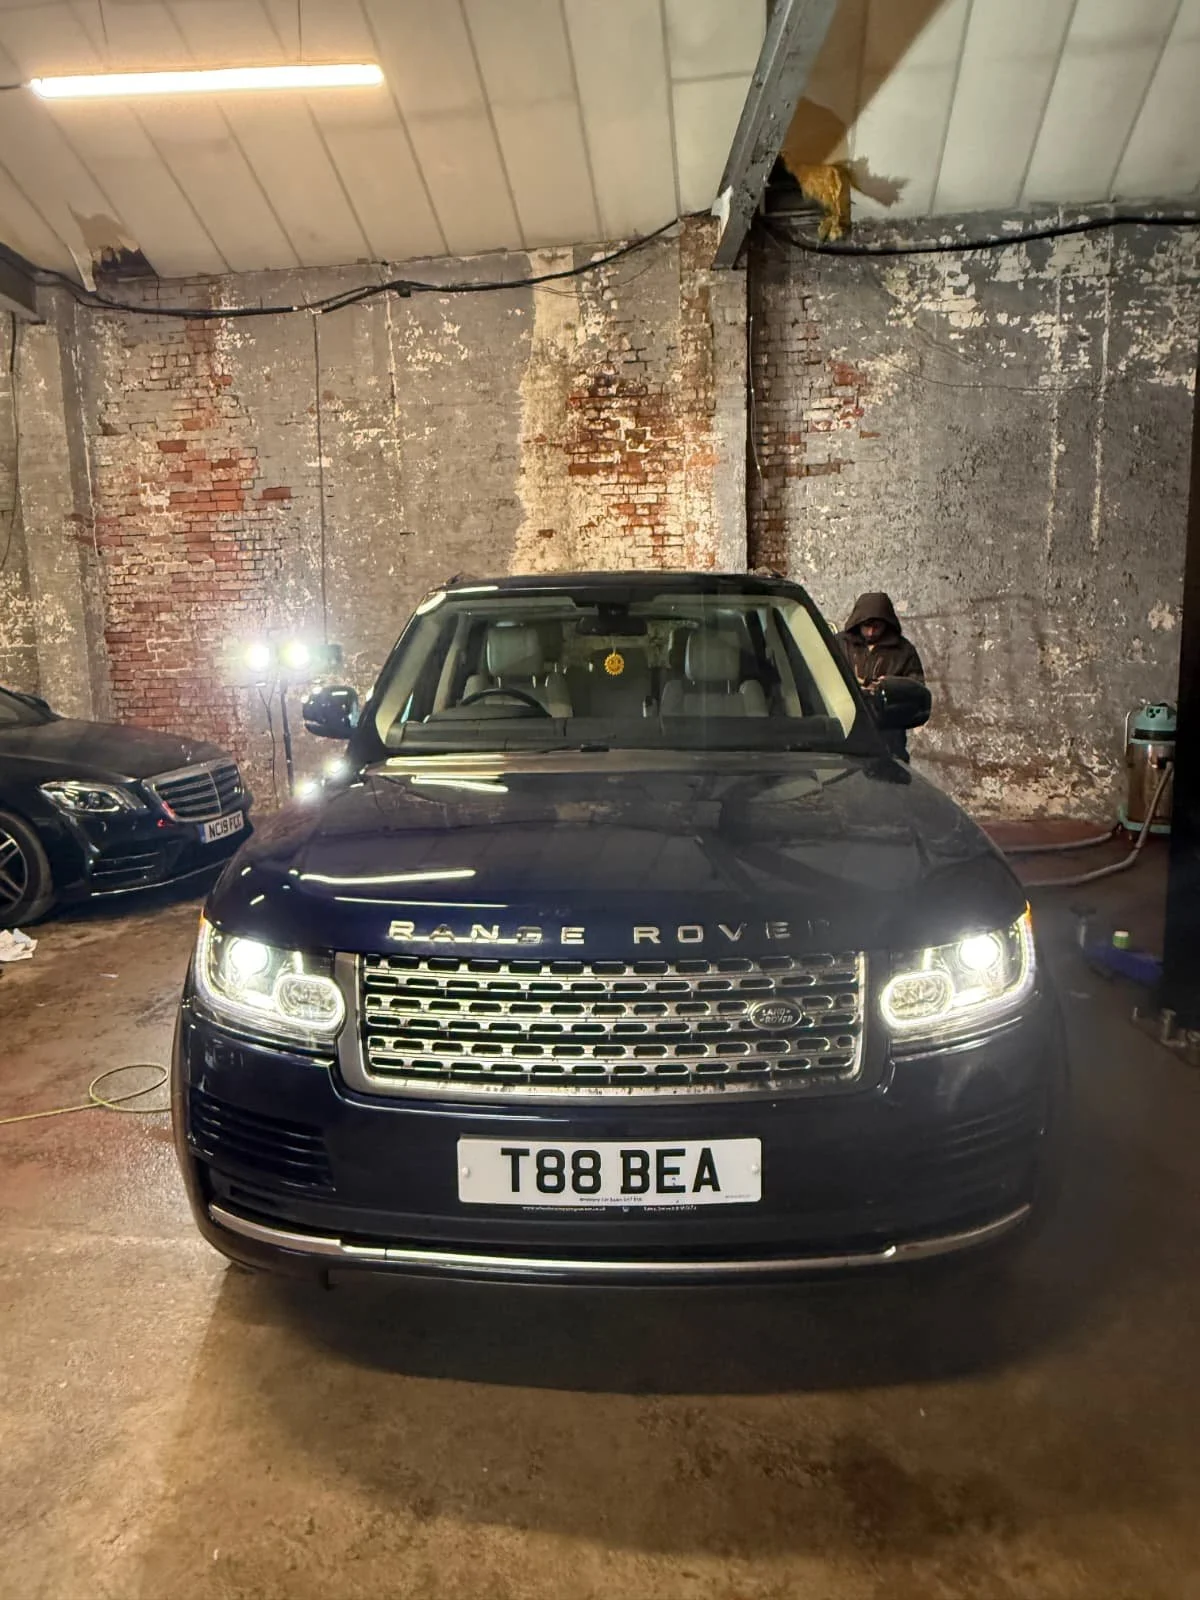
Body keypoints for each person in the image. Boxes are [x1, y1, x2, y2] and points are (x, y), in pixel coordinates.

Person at [838, 592, 925, 761]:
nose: (871, 632)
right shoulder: (840, 644)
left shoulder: (904, 651)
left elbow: (916, 691)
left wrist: (890, 687)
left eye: (877, 627)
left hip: (888, 741)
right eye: (866, 626)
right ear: (858, 622)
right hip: (845, 736)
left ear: (887, 624)